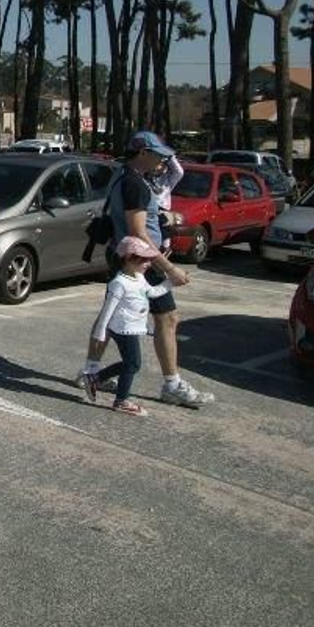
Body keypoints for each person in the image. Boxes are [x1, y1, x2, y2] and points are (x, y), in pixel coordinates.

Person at [79, 130, 213, 408]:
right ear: (142, 153)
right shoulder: (135, 184)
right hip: (142, 261)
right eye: (158, 155)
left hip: (125, 256)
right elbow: (138, 230)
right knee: (168, 318)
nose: (162, 161)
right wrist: (170, 268)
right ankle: (171, 385)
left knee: (112, 315)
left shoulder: (123, 176)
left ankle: (91, 372)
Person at [80, 236, 175, 415]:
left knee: (131, 363)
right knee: (133, 363)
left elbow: (152, 292)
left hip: (131, 327)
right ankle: (120, 400)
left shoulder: (139, 277)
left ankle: (96, 379)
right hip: (122, 329)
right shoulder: (119, 283)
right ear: (129, 259)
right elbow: (107, 310)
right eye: (144, 259)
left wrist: (170, 283)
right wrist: (100, 332)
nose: (148, 263)